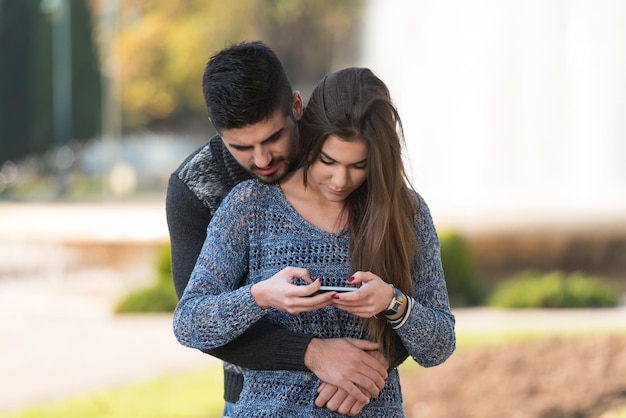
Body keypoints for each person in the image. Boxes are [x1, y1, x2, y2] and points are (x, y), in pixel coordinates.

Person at [173, 67, 456, 417]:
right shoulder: (250, 206)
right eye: (328, 161)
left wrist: (392, 302)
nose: (340, 179)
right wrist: (260, 296)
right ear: (310, 139)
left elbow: (440, 345)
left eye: (359, 165)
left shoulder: (406, 213)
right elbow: (189, 322)